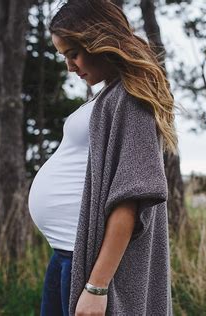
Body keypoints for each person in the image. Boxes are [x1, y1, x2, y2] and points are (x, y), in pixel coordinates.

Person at [27, 0, 177, 315]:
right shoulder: (109, 94)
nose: (69, 66)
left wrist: (97, 286)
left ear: (99, 41)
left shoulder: (129, 99)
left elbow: (130, 199)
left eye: (73, 53)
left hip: (89, 264)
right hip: (67, 254)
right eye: (64, 56)